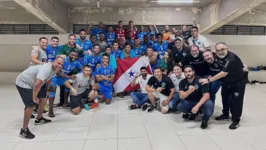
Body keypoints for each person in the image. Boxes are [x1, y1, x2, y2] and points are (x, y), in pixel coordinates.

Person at [199, 42, 248, 130]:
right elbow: (208, 56)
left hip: (238, 82)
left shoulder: (231, 58)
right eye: (218, 50)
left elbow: (223, 73)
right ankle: (225, 114)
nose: (220, 52)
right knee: (225, 97)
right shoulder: (216, 56)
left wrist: (208, 80)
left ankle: (236, 120)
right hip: (227, 81)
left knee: (236, 101)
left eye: (222, 49)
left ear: (227, 48)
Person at [16, 57, 64, 139]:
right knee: (31, 104)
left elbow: (49, 79)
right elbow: (37, 85)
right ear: (53, 61)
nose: (59, 65)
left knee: (44, 97)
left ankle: (39, 118)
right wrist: (34, 98)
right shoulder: (46, 69)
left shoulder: (54, 68)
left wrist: (47, 90)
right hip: (24, 82)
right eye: (58, 63)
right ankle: (24, 130)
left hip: (36, 83)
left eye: (61, 65)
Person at [48, 50, 83, 117]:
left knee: (68, 83)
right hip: (54, 77)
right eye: (73, 55)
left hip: (64, 78)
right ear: (69, 54)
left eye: (76, 56)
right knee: (52, 91)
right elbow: (57, 72)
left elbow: (82, 68)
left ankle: (65, 103)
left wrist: (79, 75)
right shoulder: (63, 60)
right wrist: (69, 76)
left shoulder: (76, 62)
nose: (74, 57)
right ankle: (50, 109)